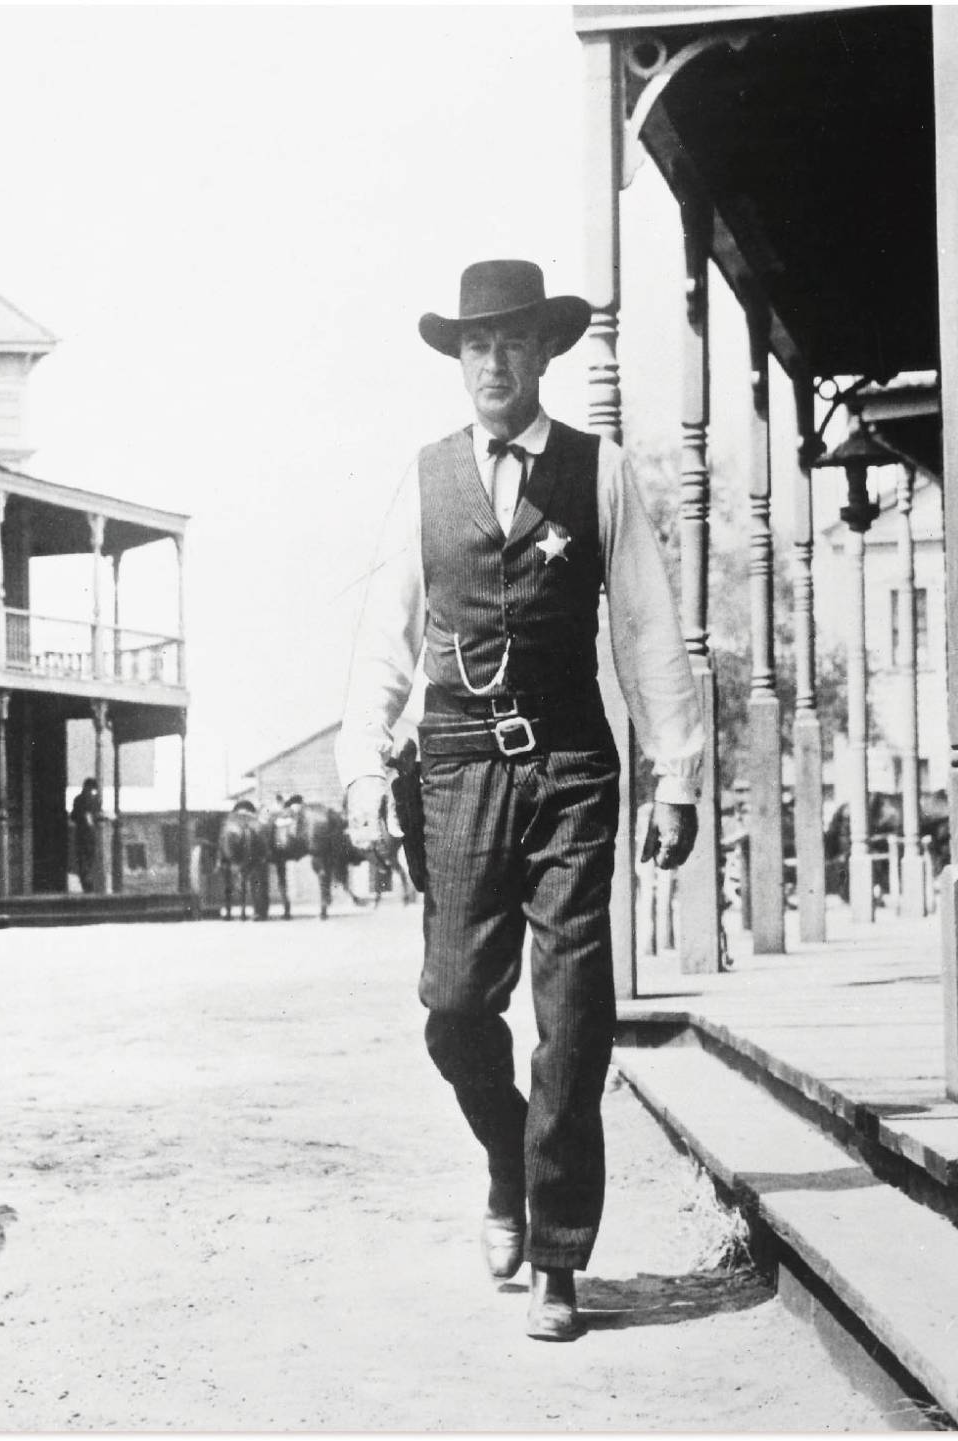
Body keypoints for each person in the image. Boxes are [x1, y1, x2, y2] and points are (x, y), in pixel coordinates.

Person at [339, 259, 702, 1341]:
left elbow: (644, 626)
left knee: (575, 1016)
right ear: (458, 361)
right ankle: (507, 1154)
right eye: (474, 346)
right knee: (454, 1007)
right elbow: (384, 636)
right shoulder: (425, 479)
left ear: (545, 353)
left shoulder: (598, 472)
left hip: (573, 768)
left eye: (510, 343)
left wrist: (674, 773)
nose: (492, 363)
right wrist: (365, 766)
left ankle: (557, 1253)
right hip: (454, 766)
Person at [70, 777, 103, 893]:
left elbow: (73, 816)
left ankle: (86, 884)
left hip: (80, 834)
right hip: (91, 834)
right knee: (90, 859)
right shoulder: (95, 800)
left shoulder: (77, 799)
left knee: (82, 860)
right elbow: (97, 816)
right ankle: (89, 884)